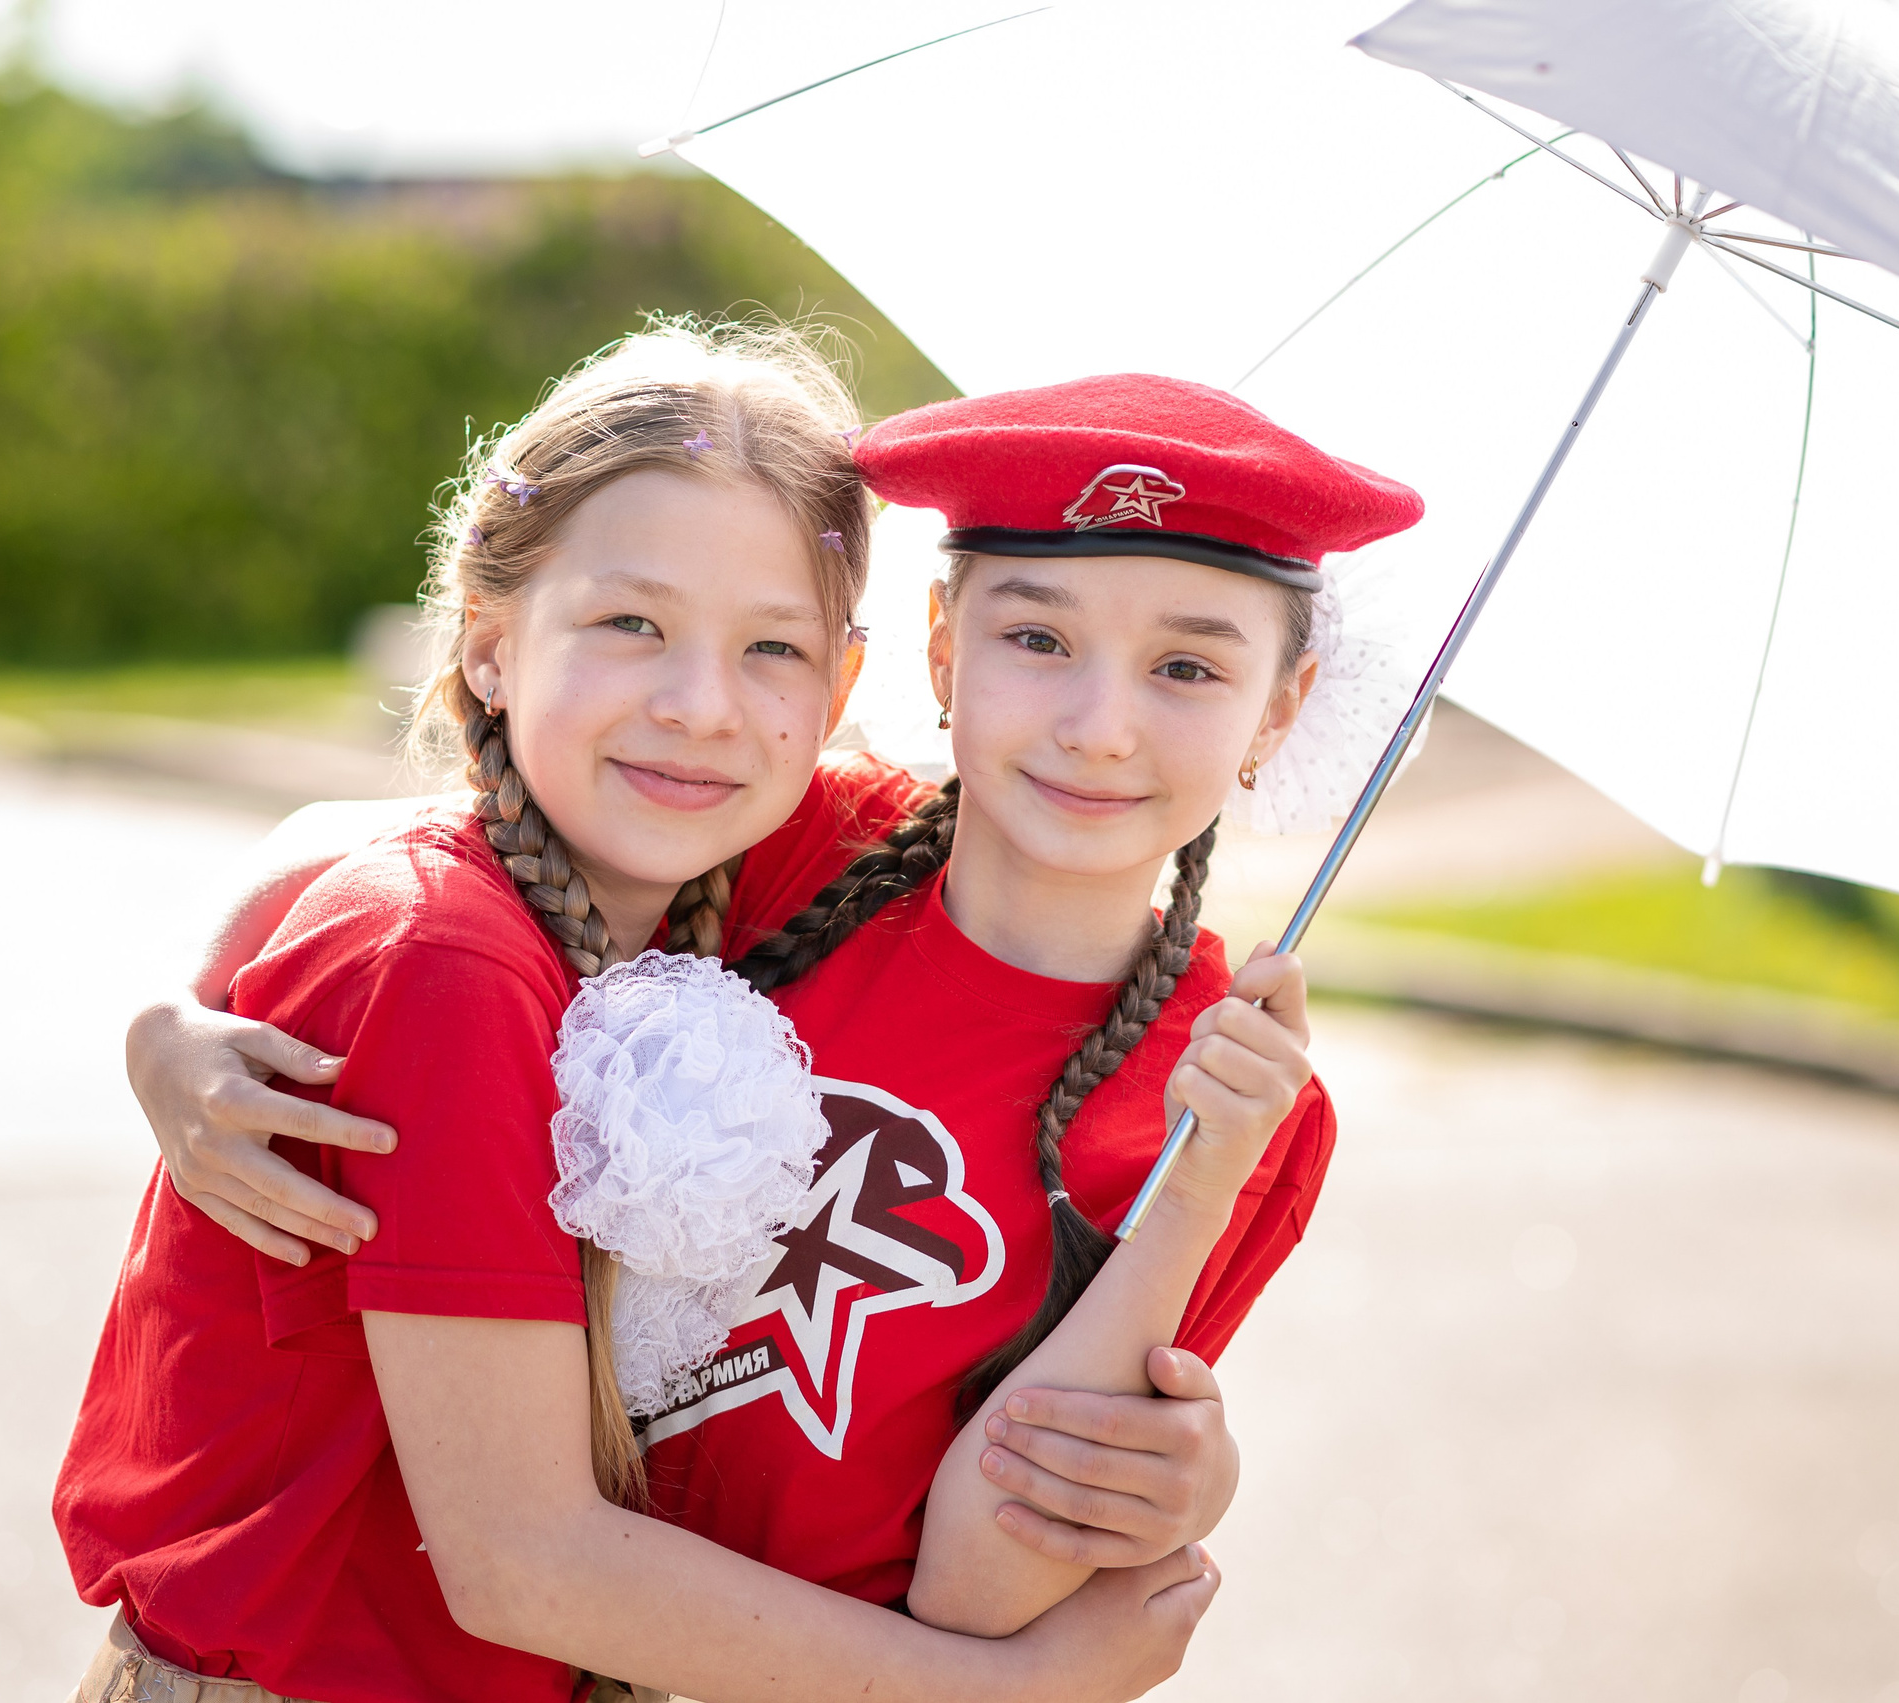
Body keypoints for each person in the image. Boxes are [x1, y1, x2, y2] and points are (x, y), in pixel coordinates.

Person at [114, 374, 1428, 1659]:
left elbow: (982, 1589)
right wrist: (167, 1015)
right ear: (937, 651)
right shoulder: (795, 830)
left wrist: (1184, 1293)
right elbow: (418, 843)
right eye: (1037, 639)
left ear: (1282, 707)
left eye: (1189, 667)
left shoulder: (1239, 1099)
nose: (1100, 728)